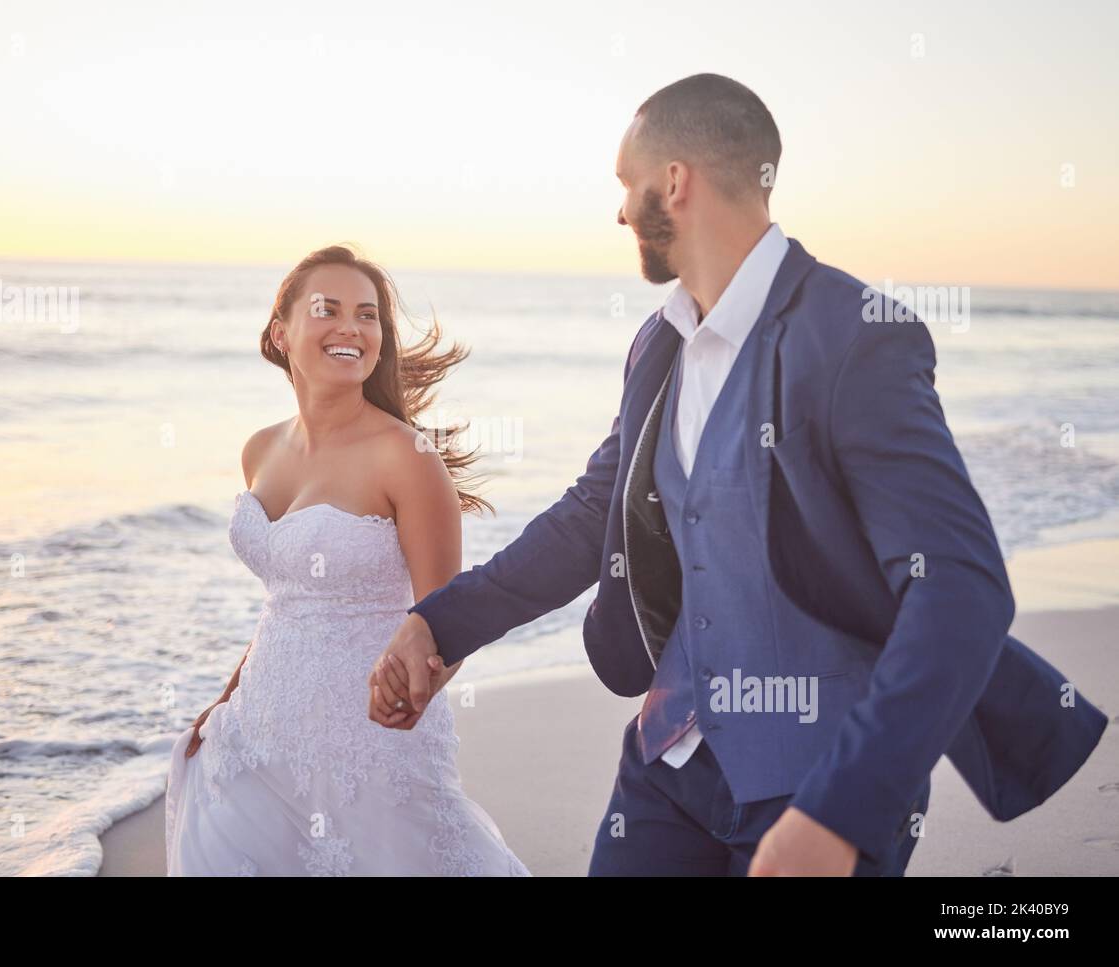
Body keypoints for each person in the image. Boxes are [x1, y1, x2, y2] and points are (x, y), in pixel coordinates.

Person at [369, 73, 1108, 876]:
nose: (621, 211)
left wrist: (842, 810)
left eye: (627, 183)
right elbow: (593, 517)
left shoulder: (855, 336)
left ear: (674, 182)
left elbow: (960, 585)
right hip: (668, 766)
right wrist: (439, 626)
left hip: (818, 780)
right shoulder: (659, 343)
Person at [165, 244, 530, 876]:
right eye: (327, 309)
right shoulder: (260, 450)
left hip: (371, 742)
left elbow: (450, 619)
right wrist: (226, 697)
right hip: (257, 730)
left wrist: (409, 698)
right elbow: (285, 602)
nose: (351, 328)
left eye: (367, 315)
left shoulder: (407, 458)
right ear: (282, 333)